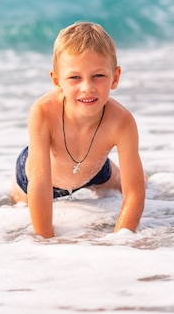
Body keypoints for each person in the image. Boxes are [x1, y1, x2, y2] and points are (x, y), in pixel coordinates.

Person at [11, 21, 146, 238]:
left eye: (98, 76)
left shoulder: (122, 121)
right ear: (57, 80)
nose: (87, 87)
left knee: (138, 181)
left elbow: (134, 194)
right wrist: (45, 242)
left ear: (115, 77)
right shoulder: (43, 112)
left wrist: (122, 240)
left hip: (94, 168)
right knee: (18, 204)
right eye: (75, 77)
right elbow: (40, 185)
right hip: (41, 177)